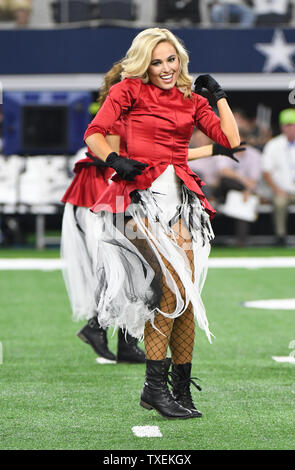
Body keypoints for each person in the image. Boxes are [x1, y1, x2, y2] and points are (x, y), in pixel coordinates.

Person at [82, 27, 240, 419]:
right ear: (144, 64)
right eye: (157, 62)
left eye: (171, 60)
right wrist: (114, 161)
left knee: (185, 296)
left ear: (180, 60)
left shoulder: (190, 98)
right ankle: (154, 389)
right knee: (168, 290)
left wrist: (217, 96)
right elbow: (94, 133)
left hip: (181, 203)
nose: (166, 68)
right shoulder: (128, 91)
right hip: (134, 203)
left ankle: (181, 392)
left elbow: (231, 140)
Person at [61, 62, 146, 364]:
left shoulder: (132, 109)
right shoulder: (114, 110)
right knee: (120, 265)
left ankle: (126, 341)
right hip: (99, 196)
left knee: (135, 266)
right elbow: (111, 158)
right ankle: (98, 326)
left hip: (115, 195)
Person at [215, 134, 262, 246]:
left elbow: (254, 180)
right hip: (224, 192)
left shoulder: (254, 155)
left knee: (243, 203)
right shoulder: (224, 151)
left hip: (245, 192)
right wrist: (243, 183)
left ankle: (241, 241)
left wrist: (247, 191)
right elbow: (224, 172)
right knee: (226, 180)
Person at [262, 108, 295, 246]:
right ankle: (280, 237)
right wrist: (276, 189)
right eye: (287, 125)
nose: (290, 128)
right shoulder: (273, 145)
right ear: (282, 127)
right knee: (279, 202)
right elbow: (266, 171)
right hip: (282, 190)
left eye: (292, 124)